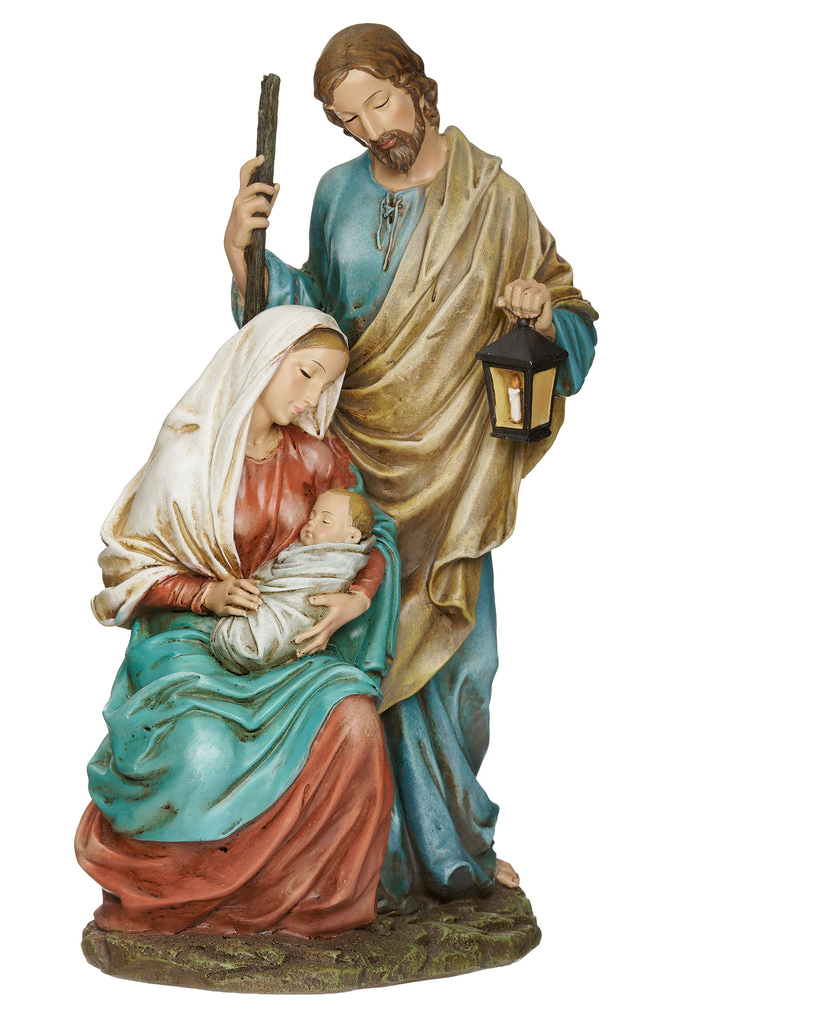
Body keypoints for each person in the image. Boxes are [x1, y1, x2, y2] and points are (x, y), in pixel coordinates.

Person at [223, 24, 599, 907]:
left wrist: (541, 311)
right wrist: (243, 253)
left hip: (457, 471)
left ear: (419, 89)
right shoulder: (335, 193)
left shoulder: (493, 198)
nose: (371, 130)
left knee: (464, 669)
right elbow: (308, 323)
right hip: (353, 472)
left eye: (380, 103)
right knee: (352, 656)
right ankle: (364, 861)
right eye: (348, 120)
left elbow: (575, 315)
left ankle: (453, 847)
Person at [75, 305, 401, 937]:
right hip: (189, 641)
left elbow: (373, 530)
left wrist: (358, 598)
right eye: (306, 373)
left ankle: (307, 907)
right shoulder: (190, 456)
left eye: (326, 385)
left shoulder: (317, 457)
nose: (312, 398)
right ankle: (183, 905)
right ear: (264, 359)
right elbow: (129, 571)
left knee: (355, 724)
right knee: (200, 746)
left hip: (284, 642)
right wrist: (206, 595)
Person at [211, 488, 376, 674]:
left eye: (325, 521)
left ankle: (249, 645)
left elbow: (297, 593)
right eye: (311, 517)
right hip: (262, 610)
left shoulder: (335, 565)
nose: (311, 523)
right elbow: (269, 578)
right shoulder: (300, 550)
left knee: (249, 640)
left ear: (352, 536)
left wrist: (360, 598)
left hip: (286, 620)